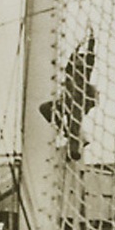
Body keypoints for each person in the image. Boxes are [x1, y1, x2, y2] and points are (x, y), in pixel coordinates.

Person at [39, 30, 97, 160]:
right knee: (45, 108)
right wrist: (79, 45)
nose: (79, 62)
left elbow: (91, 56)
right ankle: (64, 130)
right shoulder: (70, 70)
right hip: (66, 100)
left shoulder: (85, 72)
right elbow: (73, 58)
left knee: (74, 125)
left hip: (78, 101)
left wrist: (91, 40)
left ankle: (74, 150)